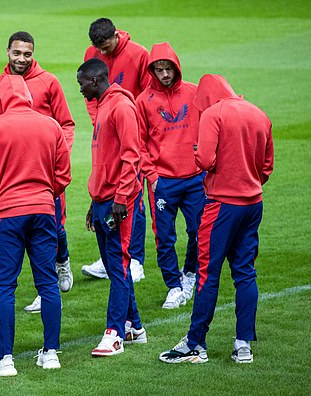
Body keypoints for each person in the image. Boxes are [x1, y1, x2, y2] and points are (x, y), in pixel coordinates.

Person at [159, 74, 274, 364]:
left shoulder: (214, 113)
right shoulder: (259, 113)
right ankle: (243, 345)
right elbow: (266, 167)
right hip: (253, 203)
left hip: (221, 205)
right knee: (245, 273)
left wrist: (199, 152)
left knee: (207, 274)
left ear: (207, 98)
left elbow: (206, 161)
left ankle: (195, 343)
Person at [0, 74, 71, 375]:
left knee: (5, 284)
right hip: (44, 211)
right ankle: (51, 353)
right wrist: (44, 195)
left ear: (1, 99)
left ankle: (5, 360)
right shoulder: (50, 125)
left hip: (8, 213)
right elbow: (63, 174)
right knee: (47, 282)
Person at [0, 31, 75, 314]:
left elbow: (66, 125)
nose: (22, 58)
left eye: (27, 54)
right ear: (7, 52)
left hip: (46, 172)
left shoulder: (49, 82)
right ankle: (43, 289)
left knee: (55, 227)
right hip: (13, 177)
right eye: (17, 53)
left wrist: (56, 160)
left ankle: (62, 262)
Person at [77, 58, 146, 357]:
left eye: (81, 84)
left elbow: (132, 157)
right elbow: (105, 158)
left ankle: (115, 334)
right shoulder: (104, 105)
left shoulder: (121, 107)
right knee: (113, 266)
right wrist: (95, 201)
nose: (79, 90)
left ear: (94, 81)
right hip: (103, 199)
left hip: (119, 202)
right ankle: (136, 328)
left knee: (118, 268)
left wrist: (121, 198)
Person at [136, 42, 205, 309]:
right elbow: (139, 143)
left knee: (199, 232)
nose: (164, 75)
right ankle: (174, 286)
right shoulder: (143, 101)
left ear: (176, 67)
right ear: (152, 71)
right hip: (162, 181)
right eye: (159, 70)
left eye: (168, 69)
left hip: (195, 178)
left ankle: (188, 274)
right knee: (164, 237)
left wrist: (205, 164)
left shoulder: (194, 93)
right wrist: (152, 176)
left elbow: (209, 129)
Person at [80, 18, 150, 282]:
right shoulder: (93, 54)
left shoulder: (138, 54)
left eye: (107, 46)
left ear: (116, 35)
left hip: (130, 126)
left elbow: (146, 94)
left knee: (133, 195)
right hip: (105, 127)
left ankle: (136, 260)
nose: (104, 52)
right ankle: (109, 257)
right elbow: (90, 93)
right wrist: (99, 119)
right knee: (105, 189)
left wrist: (127, 120)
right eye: (99, 48)